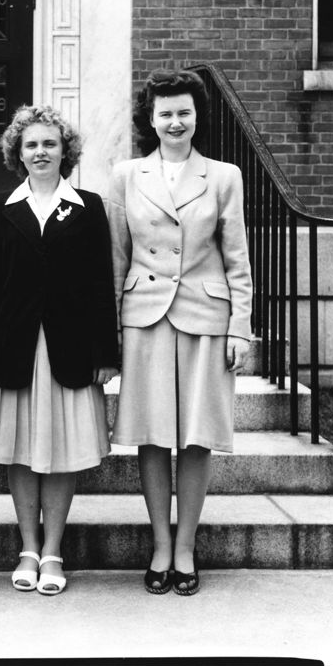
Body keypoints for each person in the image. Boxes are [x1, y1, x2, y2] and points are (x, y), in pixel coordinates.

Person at [107, 69, 252, 596]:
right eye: (165, 112)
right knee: (151, 434)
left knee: (195, 435)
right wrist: (112, 328)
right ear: (151, 119)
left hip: (204, 314)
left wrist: (241, 326)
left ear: (197, 118)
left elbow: (237, 257)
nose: (175, 122)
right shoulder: (126, 175)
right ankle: (160, 544)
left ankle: (186, 547)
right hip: (143, 314)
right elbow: (117, 255)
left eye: (184, 112)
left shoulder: (224, 175)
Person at [0, 105, 119, 596]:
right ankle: (28, 547)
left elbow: (102, 282)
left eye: (49, 144)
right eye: (31, 145)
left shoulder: (88, 205)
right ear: (18, 152)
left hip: (70, 345)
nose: (40, 152)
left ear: (65, 152)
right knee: (20, 449)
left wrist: (106, 351)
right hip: (15, 346)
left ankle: (54, 550)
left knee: (60, 451)